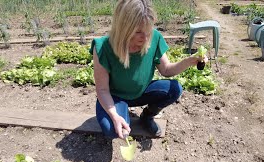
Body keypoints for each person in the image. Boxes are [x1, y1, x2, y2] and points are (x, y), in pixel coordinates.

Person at [89, 0, 208, 139]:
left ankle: (147, 116)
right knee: (112, 130)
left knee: (174, 89)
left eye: (148, 30)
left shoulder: (154, 37)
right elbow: (102, 90)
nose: (145, 37)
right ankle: (121, 113)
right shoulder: (103, 47)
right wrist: (115, 116)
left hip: (141, 92)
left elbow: (167, 70)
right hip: (114, 96)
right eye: (138, 31)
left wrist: (189, 61)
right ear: (123, 27)